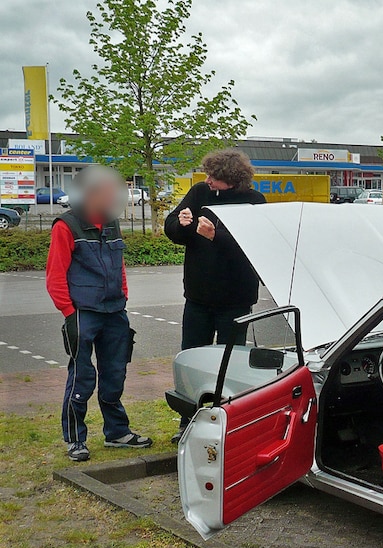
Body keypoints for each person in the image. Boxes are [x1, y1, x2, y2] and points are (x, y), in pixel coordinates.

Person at [46, 166, 153, 462]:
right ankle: (75, 439)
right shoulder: (66, 225)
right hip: (83, 313)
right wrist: (69, 311)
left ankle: (117, 432)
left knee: (115, 373)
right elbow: (55, 275)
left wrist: (123, 296)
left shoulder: (111, 222)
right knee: (82, 377)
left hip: (115, 312)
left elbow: (119, 267)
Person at [164, 149, 265, 442]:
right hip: (198, 298)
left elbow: (254, 250)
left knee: (229, 363)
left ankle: (226, 422)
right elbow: (173, 230)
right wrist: (180, 224)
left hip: (235, 300)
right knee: (192, 358)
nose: (206, 180)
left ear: (231, 179)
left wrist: (215, 237)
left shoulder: (254, 202)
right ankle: (188, 422)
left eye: (213, 176)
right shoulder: (199, 194)